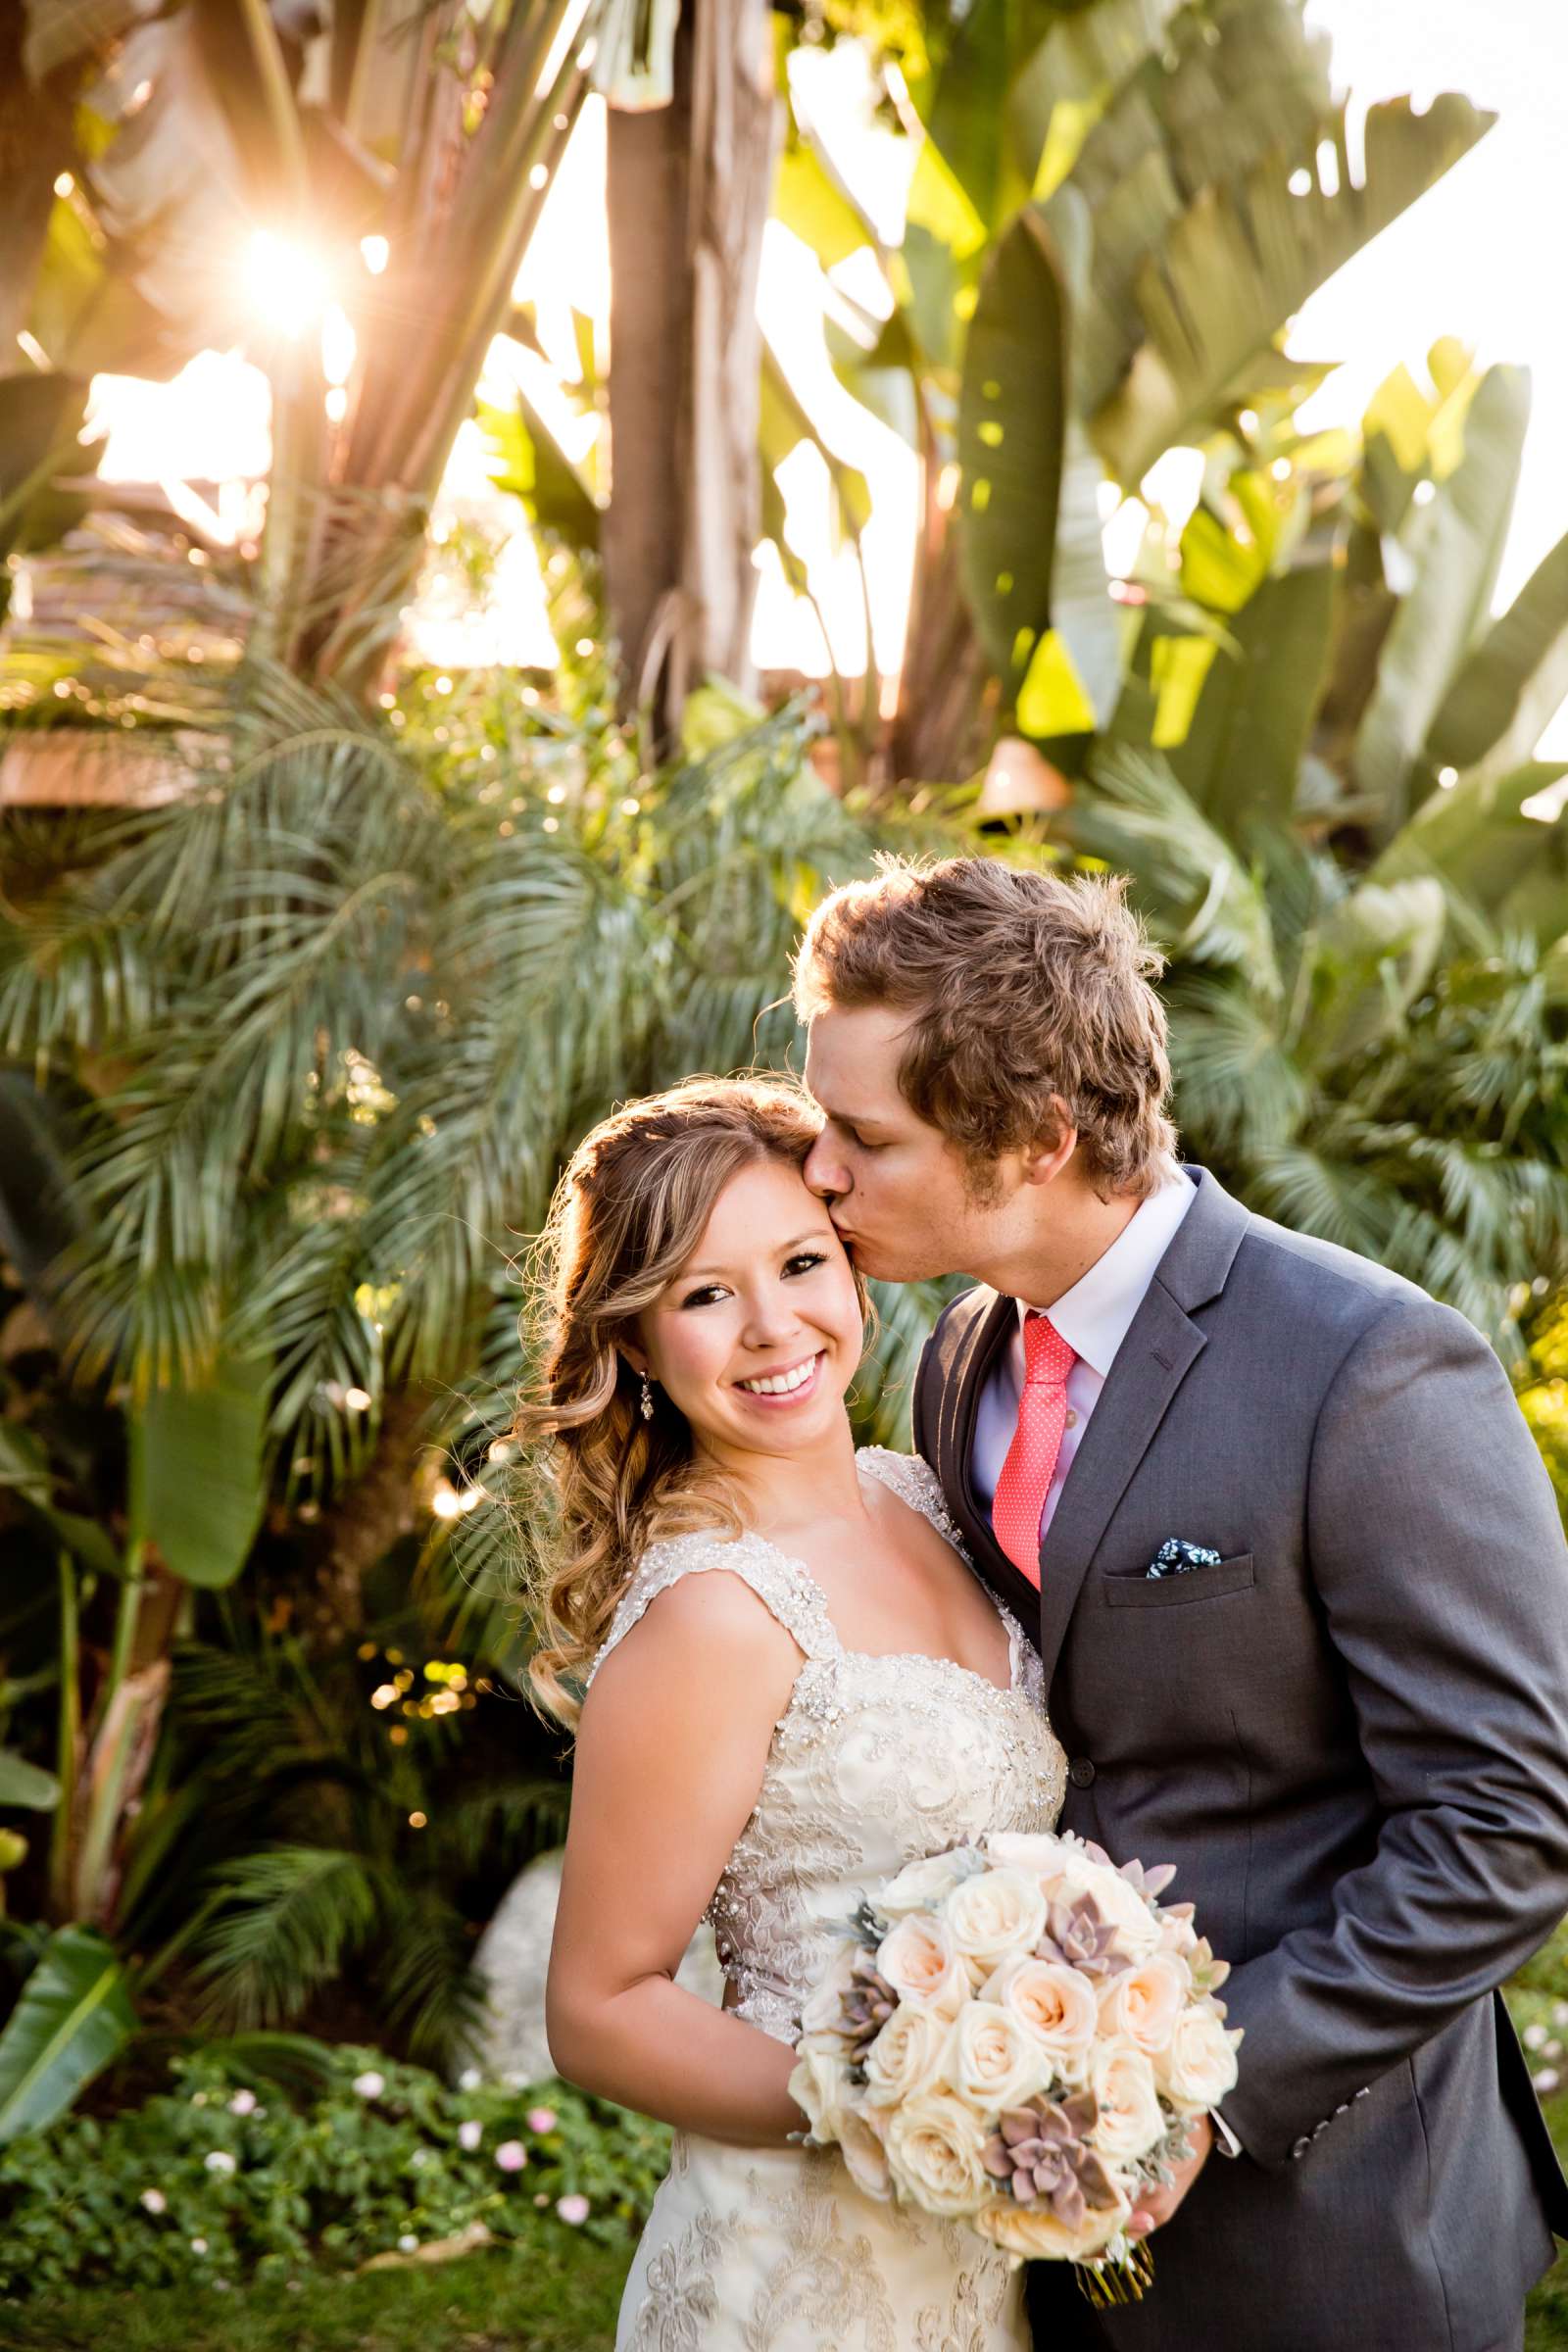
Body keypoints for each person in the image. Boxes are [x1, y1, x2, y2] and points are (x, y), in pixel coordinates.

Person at [793, 853, 1568, 2352]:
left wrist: (1200, 2093)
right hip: (1016, 2216)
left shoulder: (1370, 1371)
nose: (817, 1167)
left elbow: (1509, 1823)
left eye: (859, 1136)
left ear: (1032, 1138)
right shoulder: (959, 1353)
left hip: (1336, 2234)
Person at [527, 1077, 1066, 2350]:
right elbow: (598, 2009)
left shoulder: (928, 1497)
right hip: (794, 2276)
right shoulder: (710, 1615)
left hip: (980, 2250)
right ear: (639, 1346)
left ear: (855, 1266)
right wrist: (893, 2098)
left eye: (801, 1263)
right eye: (706, 1296)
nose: (774, 1326)